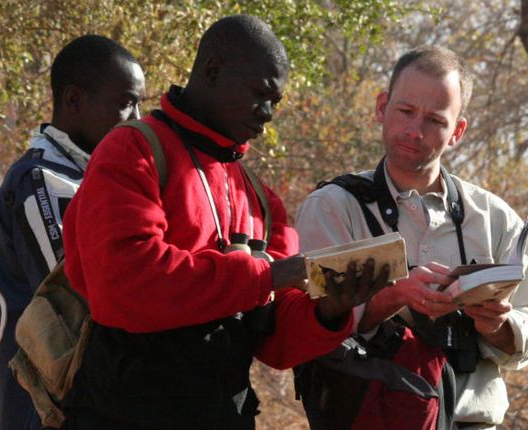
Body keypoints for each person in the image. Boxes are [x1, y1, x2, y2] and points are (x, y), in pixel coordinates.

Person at [56, 15, 390, 429]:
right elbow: (123, 284)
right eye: (260, 94)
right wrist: (262, 276)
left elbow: (274, 342)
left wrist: (330, 312)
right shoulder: (132, 149)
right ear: (213, 70)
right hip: (123, 412)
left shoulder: (261, 199)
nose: (267, 113)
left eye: (276, 102)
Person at [294, 46, 528, 429]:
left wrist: (498, 326)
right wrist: (393, 296)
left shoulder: (495, 218)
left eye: (434, 120)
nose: (415, 131)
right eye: (405, 112)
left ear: (457, 132)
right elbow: (311, 321)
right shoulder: (333, 207)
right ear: (381, 107)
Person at [0, 34, 144, 430]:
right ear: (73, 101)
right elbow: (81, 297)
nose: (138, 119)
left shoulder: (100, 176)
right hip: (49, 411)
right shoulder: (43, 181)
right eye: (126, 102)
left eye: (141, 103)